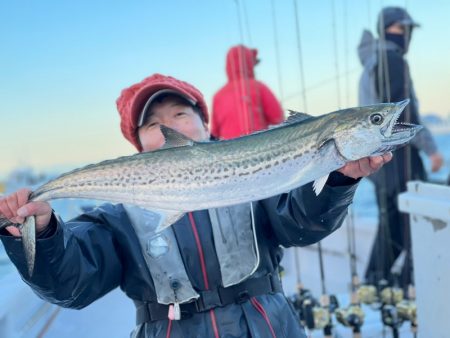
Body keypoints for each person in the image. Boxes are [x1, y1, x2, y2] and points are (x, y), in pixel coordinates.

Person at [0, 73, 391, 338]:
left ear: (205, 125)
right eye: (153, 124)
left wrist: (341, 178)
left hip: (267, 327)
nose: (169, 126)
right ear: (138, 145)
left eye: (180, 114)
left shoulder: (252, 176)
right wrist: (46, 231)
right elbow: (73, 285)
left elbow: (301, 224)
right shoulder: (118, 214)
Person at [357, 7, 444, 289]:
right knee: (415, 222)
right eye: (402, 29)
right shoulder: (392, 61)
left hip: (378, 158)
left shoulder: (372, 61)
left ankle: (376, 285)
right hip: (398, 155)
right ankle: (409, 289)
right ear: (388, 29)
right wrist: (432, 149)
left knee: (392, 221)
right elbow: (403, 117)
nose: (407, 36)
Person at [211, 45, 284, 139]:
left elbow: (215, 132)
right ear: (249, 64)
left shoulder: (217, 96)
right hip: (262, 147)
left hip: (232, 151)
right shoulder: (259, 87)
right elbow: (278, 119)